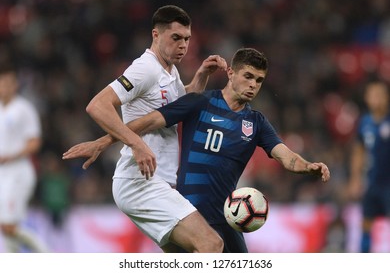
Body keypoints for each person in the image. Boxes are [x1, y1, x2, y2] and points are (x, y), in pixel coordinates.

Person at [64, 47, 330, 252]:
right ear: (231, 73)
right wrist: (103, 141)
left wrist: (307, 166)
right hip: (186, 211)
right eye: (248, 76)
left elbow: (285, 155)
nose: (253, 85)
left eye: (259, 80)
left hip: (228, 215)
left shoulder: (256, 123)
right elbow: (148, 121)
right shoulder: (200, 103)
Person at [65, 5, 227, 253]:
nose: (183, 45)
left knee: (186, 256)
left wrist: (201, 76)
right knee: (211, 244)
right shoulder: (145, 68)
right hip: (139, 182)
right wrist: (137, 144)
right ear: (156, 35)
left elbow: (177, 107)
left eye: (186, 39)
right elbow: (98, 105)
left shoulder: (169, 70)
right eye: (175, 38)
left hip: (154, 180)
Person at [0, 64, 48, 253]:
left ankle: (48, 256)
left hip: (18, 172)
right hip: (3, 174)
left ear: (15, 85)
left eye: (8, 83)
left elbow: (34, 142)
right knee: (6, 227)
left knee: (9, 226)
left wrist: (10, 156)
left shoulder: (24, 109)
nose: (4, 86)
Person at [348, 80, 390, 253]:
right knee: (366, 222)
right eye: (372, 95)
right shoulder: (364, 122)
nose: (376, 99)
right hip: (372, 182)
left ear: (387, 98)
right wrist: (355, 179)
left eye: (379, 95)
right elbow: (359, 151)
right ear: (366, 98)